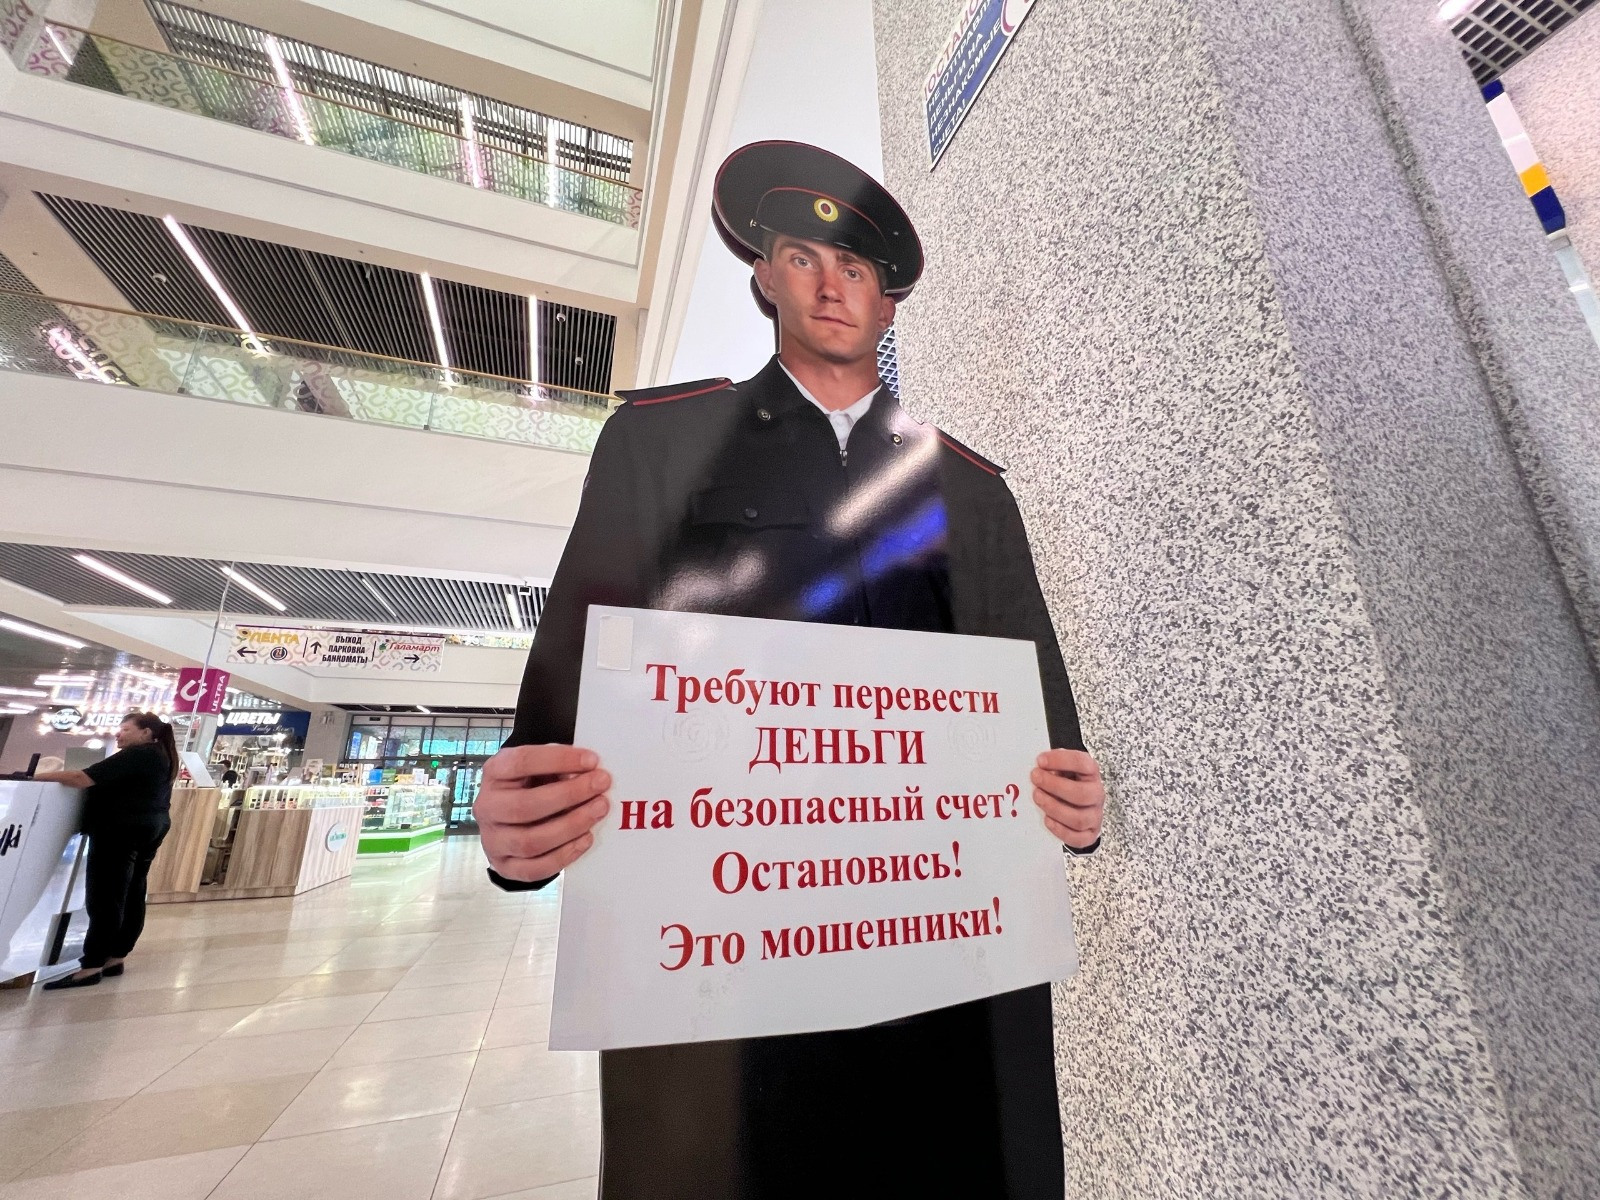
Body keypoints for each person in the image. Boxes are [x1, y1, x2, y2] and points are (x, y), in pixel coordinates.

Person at [476, 141, 1107, 1198]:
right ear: (764, 276)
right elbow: (575, 678)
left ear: (888, 304)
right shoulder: (661, 445)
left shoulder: (972, 488)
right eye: (804, 258)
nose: (830, 285)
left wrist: (1074, 808)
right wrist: (522, 823)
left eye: (856, 268)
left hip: (950, 968)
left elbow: (1039, 713)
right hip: (732, 982)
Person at [35, 711, 178, 990]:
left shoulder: (138, 754)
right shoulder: (161, 755)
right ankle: (115, 957)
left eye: (125, 729)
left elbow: (81, 777)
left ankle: (91, 966)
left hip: (120, 828)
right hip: (151, 825)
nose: (118, 734)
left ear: (146, 732)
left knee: (106, 895)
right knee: (133, 891)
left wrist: (36, 777)